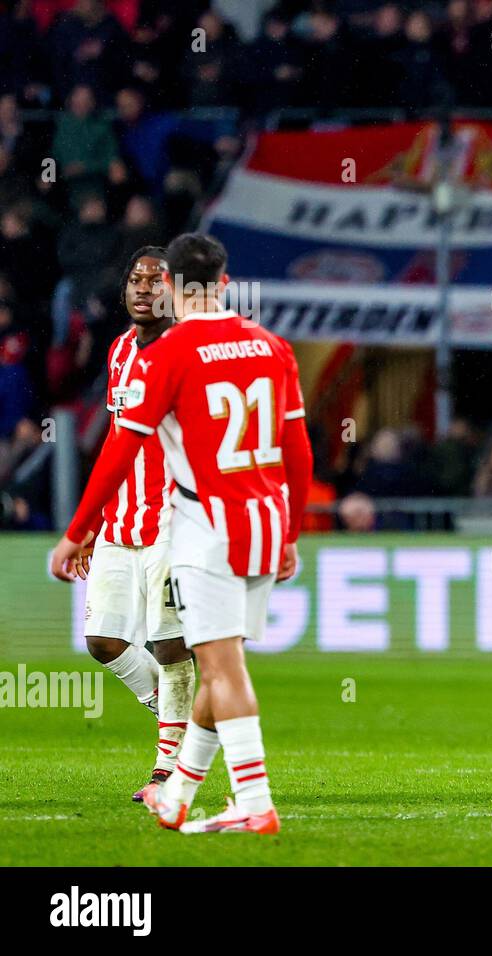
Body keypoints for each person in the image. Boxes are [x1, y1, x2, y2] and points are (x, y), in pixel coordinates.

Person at [51, 233, 313, 835]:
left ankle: (252, 799)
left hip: (201, 524)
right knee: (218, 661)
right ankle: (178, 793)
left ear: (170, 286)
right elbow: (297, 449)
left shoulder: (171, 352)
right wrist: (293, 529)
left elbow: (122, 447)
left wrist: (74, 529)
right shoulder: (270, 345)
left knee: (217, 666)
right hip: (265, 518)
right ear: (225, 285)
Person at [79, 246, 195, 802]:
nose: (143, 288)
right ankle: (180, 714)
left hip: (172, 521)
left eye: (156, 279)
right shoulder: (121, 350)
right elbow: (117, 440)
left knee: (170, 646)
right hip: (120, 522)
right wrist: (90, 521)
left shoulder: (189, 350)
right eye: (135, 279)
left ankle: (168, 768)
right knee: (102, 639)